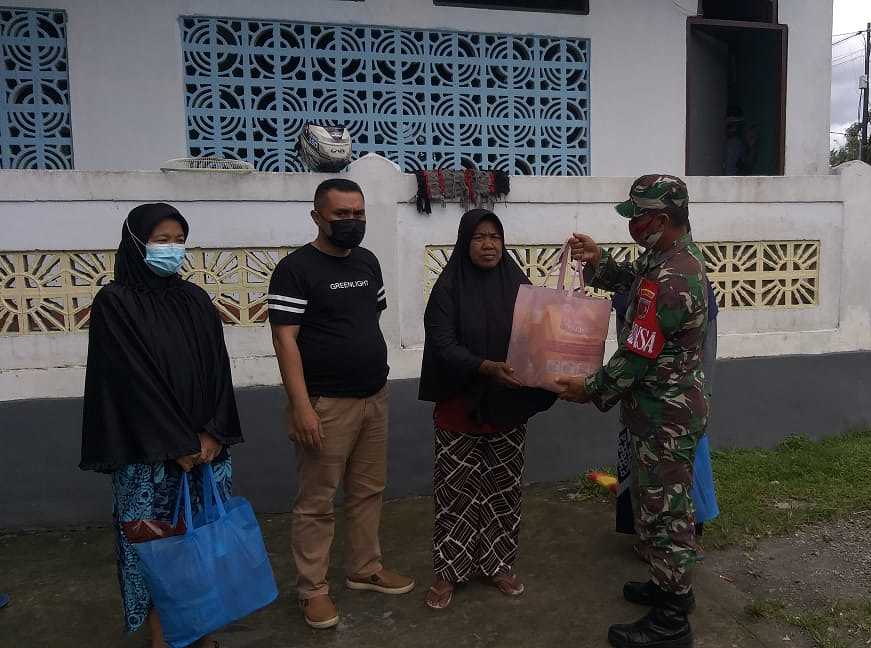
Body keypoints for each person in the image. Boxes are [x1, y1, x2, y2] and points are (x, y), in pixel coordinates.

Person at [80, 203, 245, 648]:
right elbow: (130, 380)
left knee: (204, 546)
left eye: (178, 239)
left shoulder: (193, 299)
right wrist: (176, 443)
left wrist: (212, 432)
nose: (171, 249)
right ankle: (165, 641)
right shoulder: (115, 303)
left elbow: (217, 369)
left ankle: (204, 636)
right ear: (136, 243)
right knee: (158, 555)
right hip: (151, 459)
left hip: (207, 453)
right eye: (161, 240)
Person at [557, 175, 710, 648]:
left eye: (637, 216)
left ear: (662, 220)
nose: (631, 224)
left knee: (668, 515)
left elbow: (638, 354)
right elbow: (633, 280)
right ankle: (667, 587)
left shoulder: (674, 278)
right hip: (657, 408)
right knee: (653, 504)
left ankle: (672, 621)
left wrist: (588, 388)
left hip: (667, 414)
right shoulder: (665, 260)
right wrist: (600, 262)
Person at [269, 179, 414, 630]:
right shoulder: (296, 269)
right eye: (341, 215)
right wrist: (300, 407)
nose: (352, 222)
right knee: (317, 501)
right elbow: (284, 338)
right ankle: (312, 590)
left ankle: (364, 568)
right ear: (318, 217)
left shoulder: (368, 262)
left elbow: (369, 319)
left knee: (368, 490)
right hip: (325, 404)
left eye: (358, 214)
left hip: (374, 396)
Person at [418, 209, 557, 610]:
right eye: (478, 237)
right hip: (459, 406)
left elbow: (539, 329)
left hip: (506, 407)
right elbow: (442, 345)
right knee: (455, 494)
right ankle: (448, 571)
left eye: (495, 236)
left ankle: (498, 564)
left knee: (503, 491)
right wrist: (484, 367)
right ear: (465, 243)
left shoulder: (517, 285)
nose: (488, 244)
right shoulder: (447, 290)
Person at [611, 282, 720, 545]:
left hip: (680, 404)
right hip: (642, 399)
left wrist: (703, 394)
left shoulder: (694, 282)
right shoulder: (632, 284)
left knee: (679, 476)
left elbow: (706, 349)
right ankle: (648, 537)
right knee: (644, 472)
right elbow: (625, 346)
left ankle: (680, 544)